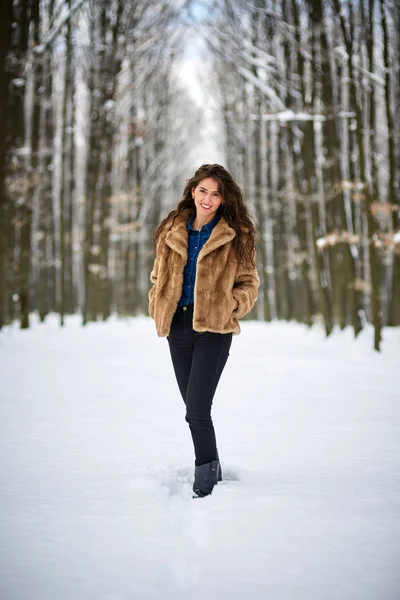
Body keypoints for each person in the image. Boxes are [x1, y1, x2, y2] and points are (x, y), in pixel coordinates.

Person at [148, 164, 259, 497]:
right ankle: (214, 467)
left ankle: (206, 481)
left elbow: (249, 283)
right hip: (177, 327)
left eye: (215, 193)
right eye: (203, 191)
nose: (208, 199)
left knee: (197, 409)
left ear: (223, 199)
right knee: (192, 410)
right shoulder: (172, 229)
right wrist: (157, 302)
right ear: (192, 191)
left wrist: (231, 305)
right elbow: (158, 276)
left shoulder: (234, 234)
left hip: (214, 328)